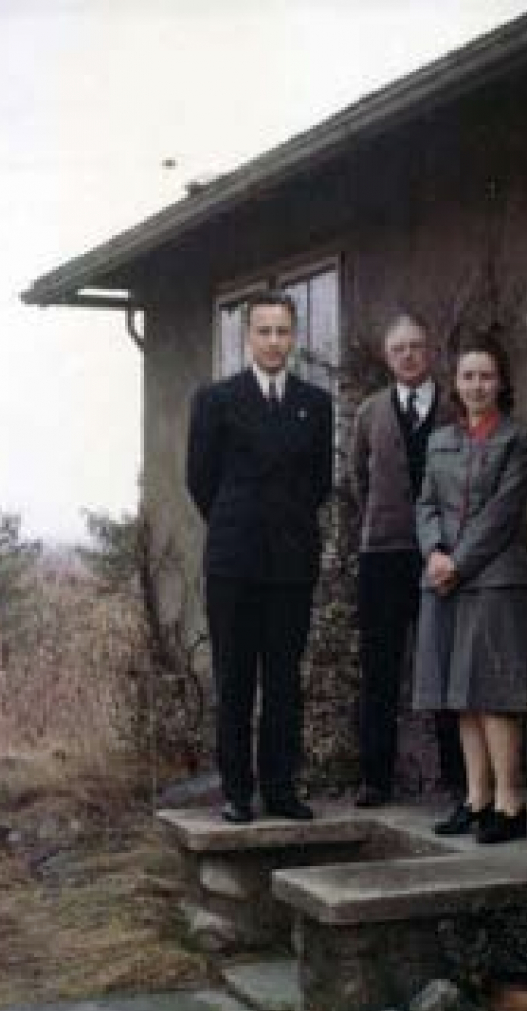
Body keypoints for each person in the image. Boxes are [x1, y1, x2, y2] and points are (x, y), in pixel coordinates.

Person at [186, 290, 334, 823]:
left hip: (290, 563)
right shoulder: (217, 400)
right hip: (234, 563)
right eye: (264, 331)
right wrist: (241, 523)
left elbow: (319, 481)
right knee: (235, 679)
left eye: (282, 331)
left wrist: (284, 526)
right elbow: (200, 480)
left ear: (294, 337)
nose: (274, 341)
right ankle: (237, 792)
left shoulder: (314, 404)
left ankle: (280, 787)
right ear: (247, 336)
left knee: (283, 680)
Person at [413, 329, 527, 843]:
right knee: (460, 693)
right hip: (443, 578)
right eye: (468, 376)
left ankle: (510, 805)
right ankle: (476, 798)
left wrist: (458, 562)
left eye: (486, 376)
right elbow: (425, 504)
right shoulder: (439, 441)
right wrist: (433, 553)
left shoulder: (520, 439)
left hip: (495, 580)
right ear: (456, 382)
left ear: (502, 382)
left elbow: (502, 513)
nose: (477, 385)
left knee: (494, 693)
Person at [350, 311, 464, 808]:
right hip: (383, 556)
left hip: (442, 556)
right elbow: (358, 477)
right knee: (380, 669)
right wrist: (383, 521)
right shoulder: (370, 413)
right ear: (387, 356)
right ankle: (376, 780)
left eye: (416, 346)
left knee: (446, 665)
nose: (408, 356)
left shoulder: (453, 409)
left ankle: (458, 779)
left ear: (430, 350)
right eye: (399, 349)